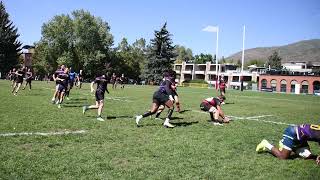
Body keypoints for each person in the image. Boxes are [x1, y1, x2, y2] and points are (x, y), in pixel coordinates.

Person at [256, 124, 320, 165]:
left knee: (308, 156)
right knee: (283, 156)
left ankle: (290, 147)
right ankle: (266, 144)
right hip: (292, 133)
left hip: (301, 138)